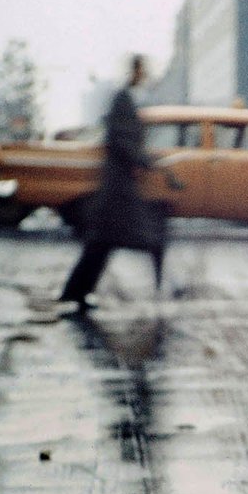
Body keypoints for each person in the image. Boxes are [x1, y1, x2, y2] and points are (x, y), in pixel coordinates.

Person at [58, 54, 165, 308]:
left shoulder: (126, 99)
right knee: (118, 240)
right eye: (143, 70)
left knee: (101, 244)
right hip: (118, 186)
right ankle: (75, 292)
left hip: (120, 185)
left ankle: (76, 292)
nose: (146, 75)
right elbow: (122, 139)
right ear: (135, 71)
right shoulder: (123, 99)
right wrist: (142, 160)